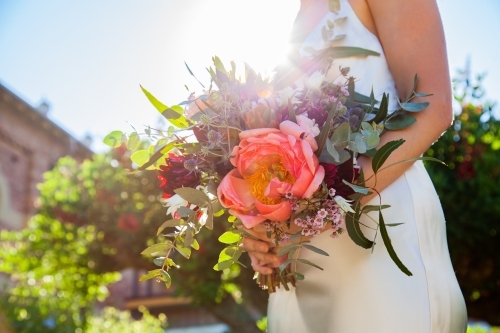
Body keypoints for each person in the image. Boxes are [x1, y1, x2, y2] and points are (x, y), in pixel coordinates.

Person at [242, 0, 468, 331]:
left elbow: (432, 106)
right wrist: (265, 225)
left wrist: (320, 208)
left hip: (379, 234)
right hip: (302, 264)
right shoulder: (299, 13)